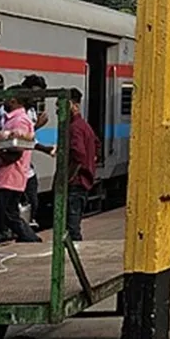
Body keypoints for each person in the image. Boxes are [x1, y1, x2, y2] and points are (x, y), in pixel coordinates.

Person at [0, 92, 40, 250]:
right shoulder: (14, 120)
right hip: (5, 178)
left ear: (13, 100)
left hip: (7, 178)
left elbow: (16, 152)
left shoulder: (19, 121)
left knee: (5, 215)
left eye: (6, 98)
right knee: (3, 215)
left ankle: (31, 239)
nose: (3, 101)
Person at [17, 75, 56, 228]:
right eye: (35, 94)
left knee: (32, 200)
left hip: (26, 165)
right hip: (14, 165)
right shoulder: (15, 113)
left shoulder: (31, 111)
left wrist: (45, 148)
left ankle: (27, 226)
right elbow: (18, 136)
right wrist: (37, 126)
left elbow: (29, 138)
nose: (37, 98)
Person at [65, 88, 99, 242]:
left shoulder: (75, 128)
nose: (58, 110)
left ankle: (74, 255)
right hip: (83, 181)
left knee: (72, 227)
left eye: (61, 106)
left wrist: (68, 177)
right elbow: (96, 144)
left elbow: (78, 155)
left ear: (73, 105)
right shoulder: (84, 126)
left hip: (76, 182)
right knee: (74, 223)